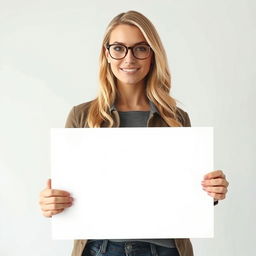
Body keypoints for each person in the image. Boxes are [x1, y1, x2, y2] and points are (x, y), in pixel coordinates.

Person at [39, 10, 229, 256]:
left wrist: (211, 193)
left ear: (153, 55)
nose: (129, 58)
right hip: (101, 249)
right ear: (106, 54)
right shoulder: (81, 116)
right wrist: (50, 202)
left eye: (140, 48)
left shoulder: (175, 118)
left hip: (164, 249)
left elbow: (187, 193)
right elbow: (67, 193)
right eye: (118, 48)